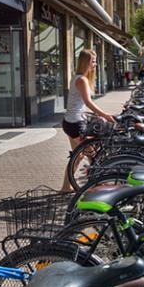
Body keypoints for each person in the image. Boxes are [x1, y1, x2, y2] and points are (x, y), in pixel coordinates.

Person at [61, 49, 115, 192]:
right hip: (75, 124)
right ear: (85, 62)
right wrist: (105, 115)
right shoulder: (82, 80)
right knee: (93, 155)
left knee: (77, 157)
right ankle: (97, 186)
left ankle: (66, 186)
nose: (95, 64)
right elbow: (88, 102)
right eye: (93, 61)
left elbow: (79, 104)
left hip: (70, 122)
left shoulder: (77, 77)